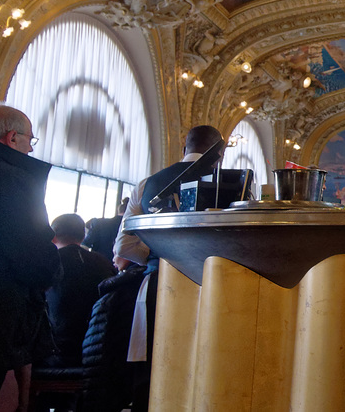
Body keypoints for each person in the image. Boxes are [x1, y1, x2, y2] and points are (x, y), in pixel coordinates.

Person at [114, 124, 224, 412]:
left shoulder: (147, 183)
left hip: (158, 283)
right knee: (205, 367)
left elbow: (123, 247)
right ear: (220, 154)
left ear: (184, 148)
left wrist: (155, 255)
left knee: (153, 369)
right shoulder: (233, 183)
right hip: (213, 288)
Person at [0, 103, 61, 412]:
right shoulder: (12, 179)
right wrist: (49, 271)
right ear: (12, 137)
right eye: (31, 139)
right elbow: (31, 253)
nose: (31, 149)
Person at [43, 213, 116, 366]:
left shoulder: (47, 263)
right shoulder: (104, 264)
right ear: (83, 237)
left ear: (52, 237)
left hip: (56, 352)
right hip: (100, 350)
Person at [84, 197, 129, 264]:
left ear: (119, 210)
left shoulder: (99, 223)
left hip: (99, 266)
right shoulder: (131, 227)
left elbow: (85, 245)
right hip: (123, 269)